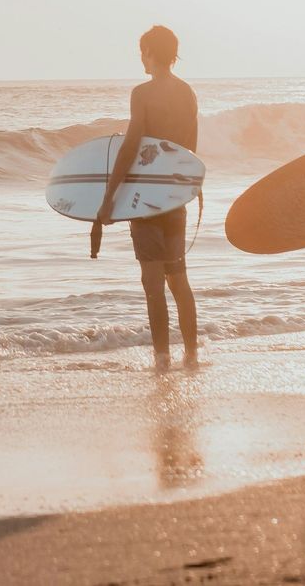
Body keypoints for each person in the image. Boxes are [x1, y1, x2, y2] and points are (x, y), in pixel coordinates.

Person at [97, 25, 200, 370]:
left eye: (142, 52)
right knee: (178, 279)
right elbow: (190, 149)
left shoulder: (142, 93)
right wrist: (185, 188)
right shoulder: (187, 93)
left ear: (151, 53)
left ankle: (162, 358)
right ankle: (192, 354)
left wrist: (110, 196)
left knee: (153, 283)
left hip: (145, 200)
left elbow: (130, 146)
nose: (141, 59)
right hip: (175, 196)